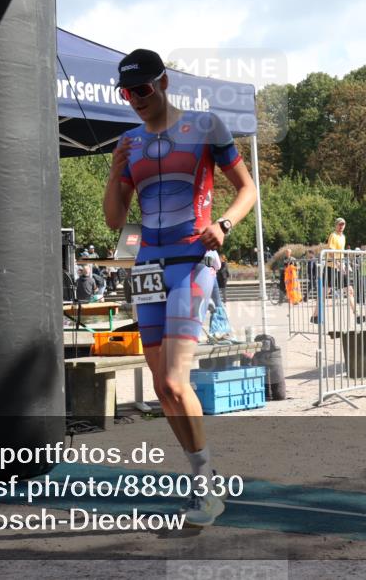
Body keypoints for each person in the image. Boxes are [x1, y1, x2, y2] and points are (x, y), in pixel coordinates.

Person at [102, 48, 257, 527]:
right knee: (162, 388)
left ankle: (205, 487)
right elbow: (114, 219)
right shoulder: (129, 141)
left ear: (163, 83)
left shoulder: (206, 126)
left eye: (142, 90)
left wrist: (226, 225)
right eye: (126, 93)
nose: (134, 100)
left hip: (193, 258)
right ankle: (200, 476)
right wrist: (114, 170)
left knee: (174, 380)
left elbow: (247, 188)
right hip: (148, 265)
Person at [324, 218, 364, 323]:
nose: (341, 226)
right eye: (339, 224)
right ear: (336, 225)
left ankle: (358, 315)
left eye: (343, 224)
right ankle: (315, 316)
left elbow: (340, 253)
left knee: (350, 290)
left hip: (340, 266)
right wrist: (337, 263)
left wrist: (343, 264)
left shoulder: (343, 237)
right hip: (331, 266)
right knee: (325, 292)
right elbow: (331, 251)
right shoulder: (333, 236)